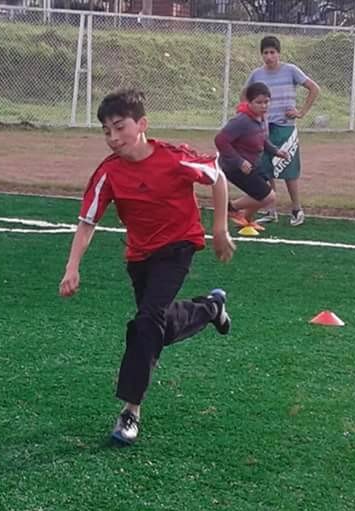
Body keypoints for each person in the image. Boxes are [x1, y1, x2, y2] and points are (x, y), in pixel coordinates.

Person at [58, 89, 236, 445]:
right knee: (154, 326)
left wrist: (220, 228)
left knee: (146, 321)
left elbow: (216, 176)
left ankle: (130, 412)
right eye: (106, 131)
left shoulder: (174, 158)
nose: (112, 137)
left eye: (119, 127)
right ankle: (210, 308)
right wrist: (72, 267)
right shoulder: (109, 172)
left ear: (141, 125)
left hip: (178, 247)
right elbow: (87, 221)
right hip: (139, 257)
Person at [244, 35, 320, 226]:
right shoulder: (257, 74)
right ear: (261, 54)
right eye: (265, 53)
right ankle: (271, 209)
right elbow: (245, 95)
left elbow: (313, 88)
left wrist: (301, 112)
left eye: (272, 52)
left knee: (289, 170)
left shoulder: (290, 70)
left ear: (279, 53)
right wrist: (251, 114)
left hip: (285, 128)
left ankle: (296, 209)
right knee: (265, 169)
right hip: (263, 128)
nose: (269, 56)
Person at [215, 82, 288, 227]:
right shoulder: (241, 121)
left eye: (266, 102)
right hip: (234, 167)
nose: (263, 106)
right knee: (268, 197)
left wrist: (275, 151)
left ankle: (246, 221)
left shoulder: (261, 118)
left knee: (261, 194)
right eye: (258, 102)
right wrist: (239, 162)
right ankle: (230, 207)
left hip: (253, 164)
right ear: (249, 102)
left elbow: (262, 139)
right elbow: (220, 140)